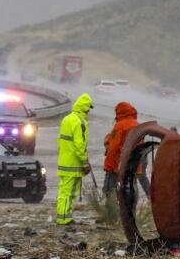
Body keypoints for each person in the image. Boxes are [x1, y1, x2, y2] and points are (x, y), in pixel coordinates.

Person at [55, 94, 93, 226]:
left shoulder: (67, 119)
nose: (89, 111)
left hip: (65, 162)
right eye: (89, 108)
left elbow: (61, 142)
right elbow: (79, 144)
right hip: (73, 163)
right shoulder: (79, 122)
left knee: (65, 191)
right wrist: (85, 162)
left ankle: (65, 216)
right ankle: (64, 218)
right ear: (85, 108)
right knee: (68, 193)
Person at [102, 101, 140, 196]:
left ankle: (113, 210)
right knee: (130, 191)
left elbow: (113, 147)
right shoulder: (137, 125)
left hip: (117, 166)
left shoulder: (120, 126)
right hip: (133, 166)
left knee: (110, 192)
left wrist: (108, 165)